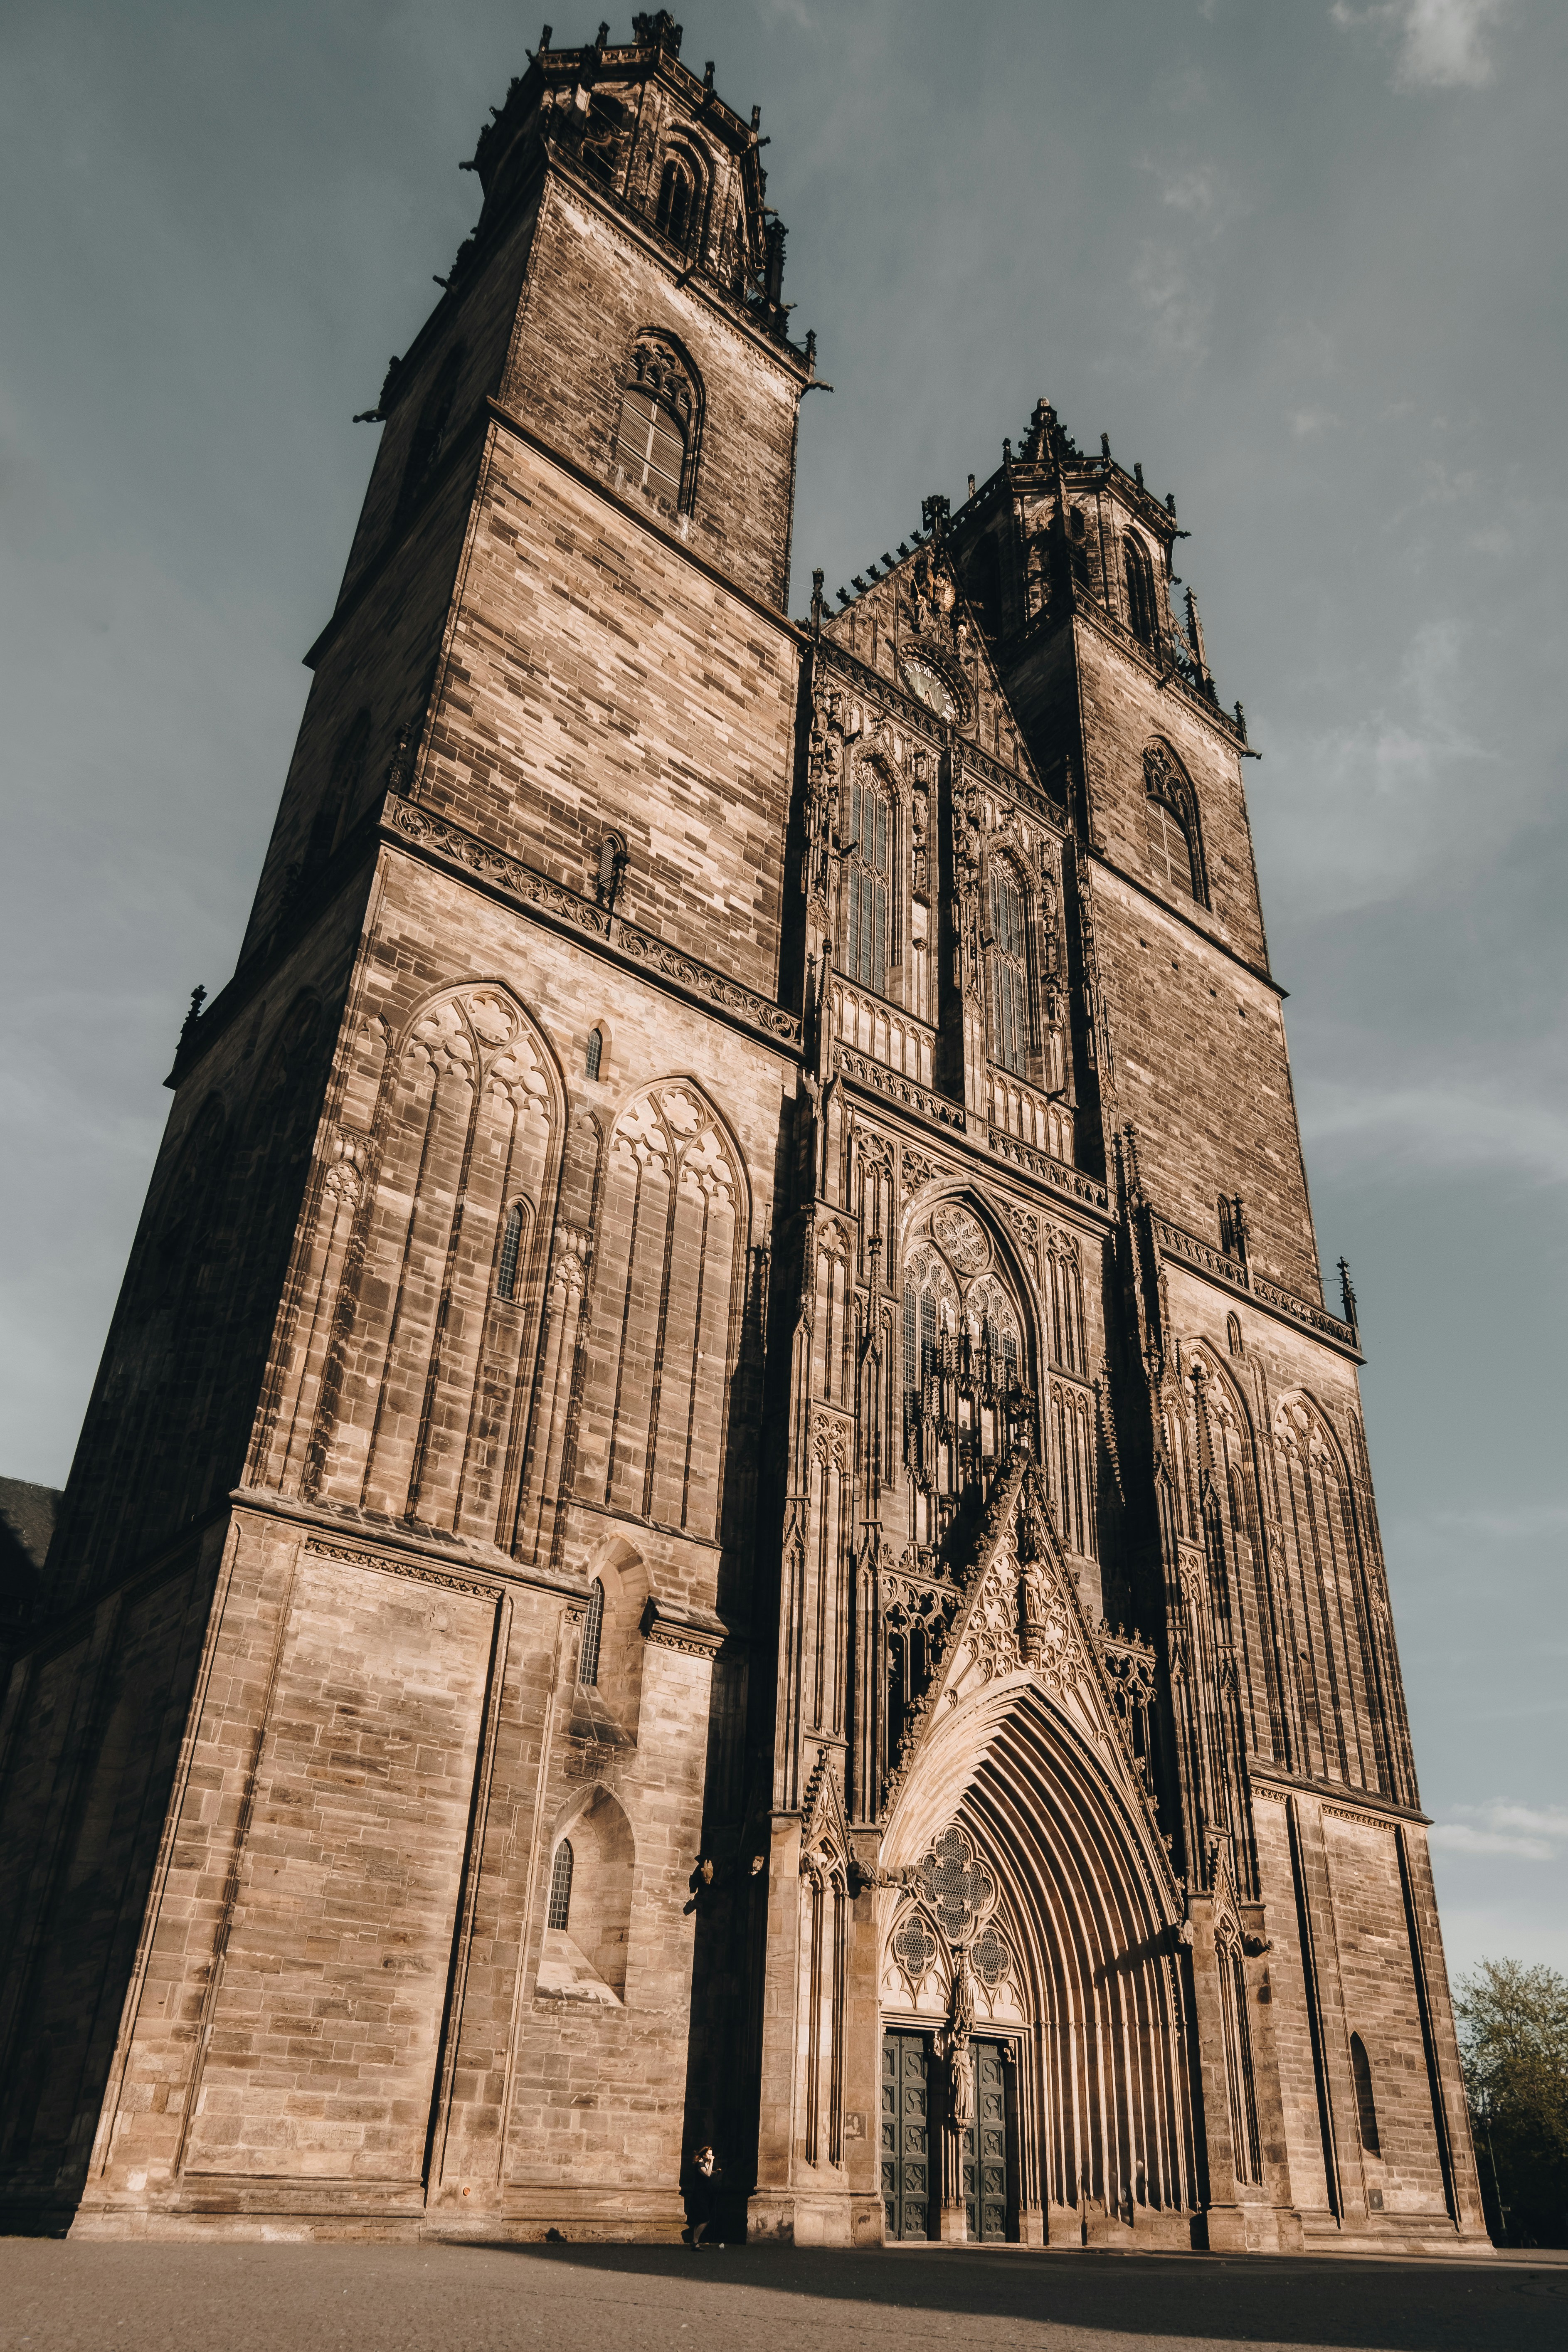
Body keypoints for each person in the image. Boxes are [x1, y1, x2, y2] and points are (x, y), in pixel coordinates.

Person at [682, 2143, 722, 2247]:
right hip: (700, 2195)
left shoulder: (704, 2162)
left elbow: (709, 2172)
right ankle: (695, 2242)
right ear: (704, 2154)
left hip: (705, 2194)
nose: (711, 2156)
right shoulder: (700, 2163)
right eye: (709, 2154)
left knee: (700, 2220)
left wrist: (715, 2172)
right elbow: (707, 2175)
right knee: (705, 2220)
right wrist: (712, 2162)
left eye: (712, 2154)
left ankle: (695, 2242)